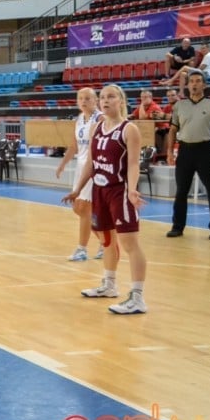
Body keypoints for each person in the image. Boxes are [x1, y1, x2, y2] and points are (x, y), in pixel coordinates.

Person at [62, 84, 148, 314]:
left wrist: (131, 189)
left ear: (121, 100)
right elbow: (90, 162)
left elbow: (133, 164)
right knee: (107, 241)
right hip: (99, 190)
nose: (105, 101)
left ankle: (138, 297)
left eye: (111, 97)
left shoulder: (129, 130)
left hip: (119, 191)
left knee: (130, 243)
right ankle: (109, 285)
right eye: (102, 97)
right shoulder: (97, 128)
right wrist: (78, 189)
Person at [166, 69, 210, 240]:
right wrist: (170, 151)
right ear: (188, 85)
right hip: (185, 150)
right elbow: (172, 130)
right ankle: (177, 227)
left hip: (205, 150)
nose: (194, 84)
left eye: (198, 81)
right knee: (181, 191)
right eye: (192, 81)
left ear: (204, 85)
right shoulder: (179, 106)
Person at [55, 87, 104, 261]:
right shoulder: (79, 119)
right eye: (80, 98)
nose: (83, 101)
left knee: (84, 208)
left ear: (95, 100)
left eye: (88, 98)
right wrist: (62, 164)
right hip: (80, 167)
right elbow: (74, 146)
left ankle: (82, 249)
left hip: (94, 167)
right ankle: (106, 242)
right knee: (79, 208)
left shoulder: (100, 119)